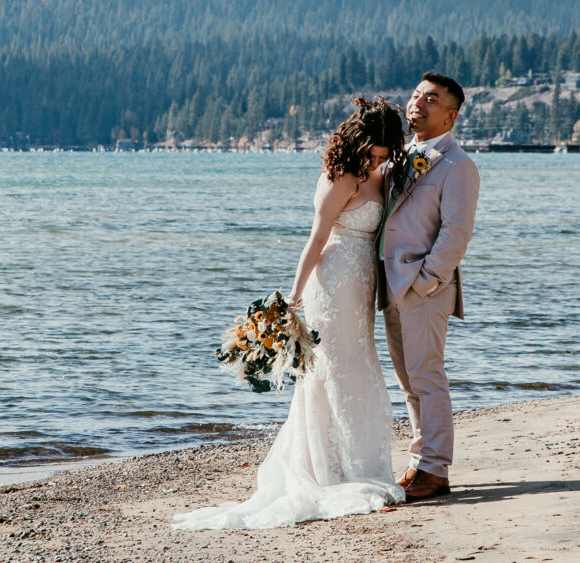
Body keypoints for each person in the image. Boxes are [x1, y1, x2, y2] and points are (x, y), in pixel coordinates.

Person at [174, 99, 409, 530]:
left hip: (362, 286)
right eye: (372, 153)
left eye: (383, 153)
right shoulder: (338, 177)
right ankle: (331, 470)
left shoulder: (381, 173)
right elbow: (316, 238)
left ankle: (363, 465)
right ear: (356, 142)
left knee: (360, 368)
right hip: (332, 283)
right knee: (334, 371)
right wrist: (293, 299)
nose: (378, 160)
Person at [381, 74, 478, 499]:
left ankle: (436, 469)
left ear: (450, 116)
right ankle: (420, 460)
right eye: (417, 95)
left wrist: (426, 281)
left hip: (424, 287)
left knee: (427, 376)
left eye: (431, 99)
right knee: (408, 380)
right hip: (390, 285)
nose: (418, 103)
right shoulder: (402, 154)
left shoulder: (459, 166)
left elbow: (456, 234)